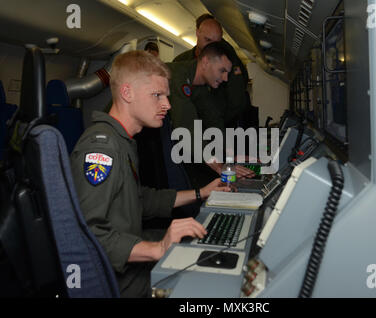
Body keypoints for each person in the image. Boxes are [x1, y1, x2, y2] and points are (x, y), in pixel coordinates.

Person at [70, 50, 229, 298]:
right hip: (119, 282)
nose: (167, 104)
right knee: (213, 287)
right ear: (127, 93)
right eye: (157, 95)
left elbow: (139, 200)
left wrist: (201, 192)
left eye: (166, 95)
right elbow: (85, 235)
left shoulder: (123, 141)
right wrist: (158, 249)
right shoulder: (102, 149)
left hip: (128, 261)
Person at [167, 41, 254, 189]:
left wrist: (232, 155)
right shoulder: (178, 77)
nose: (226, 78)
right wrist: (220, 167)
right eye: (222, 71)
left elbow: (213, 120)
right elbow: (187, 128)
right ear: (206, 62)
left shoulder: (199, 87)